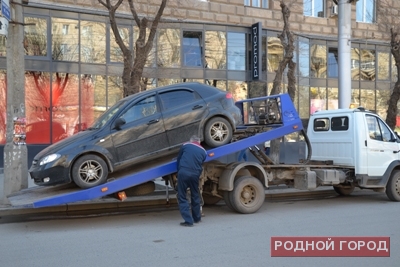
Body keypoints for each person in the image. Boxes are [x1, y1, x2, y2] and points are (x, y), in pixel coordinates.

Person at [176, 135, 207, 227]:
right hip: (195, 175)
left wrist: (179, 172)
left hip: (183, 172)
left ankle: (188, 221)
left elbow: (179, 159)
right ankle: (197, 218)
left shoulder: (185, 145)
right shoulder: (203, 152)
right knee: (195, 195)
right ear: (199, 142)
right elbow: (201, 162)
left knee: (182, 196)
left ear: (191, 141)